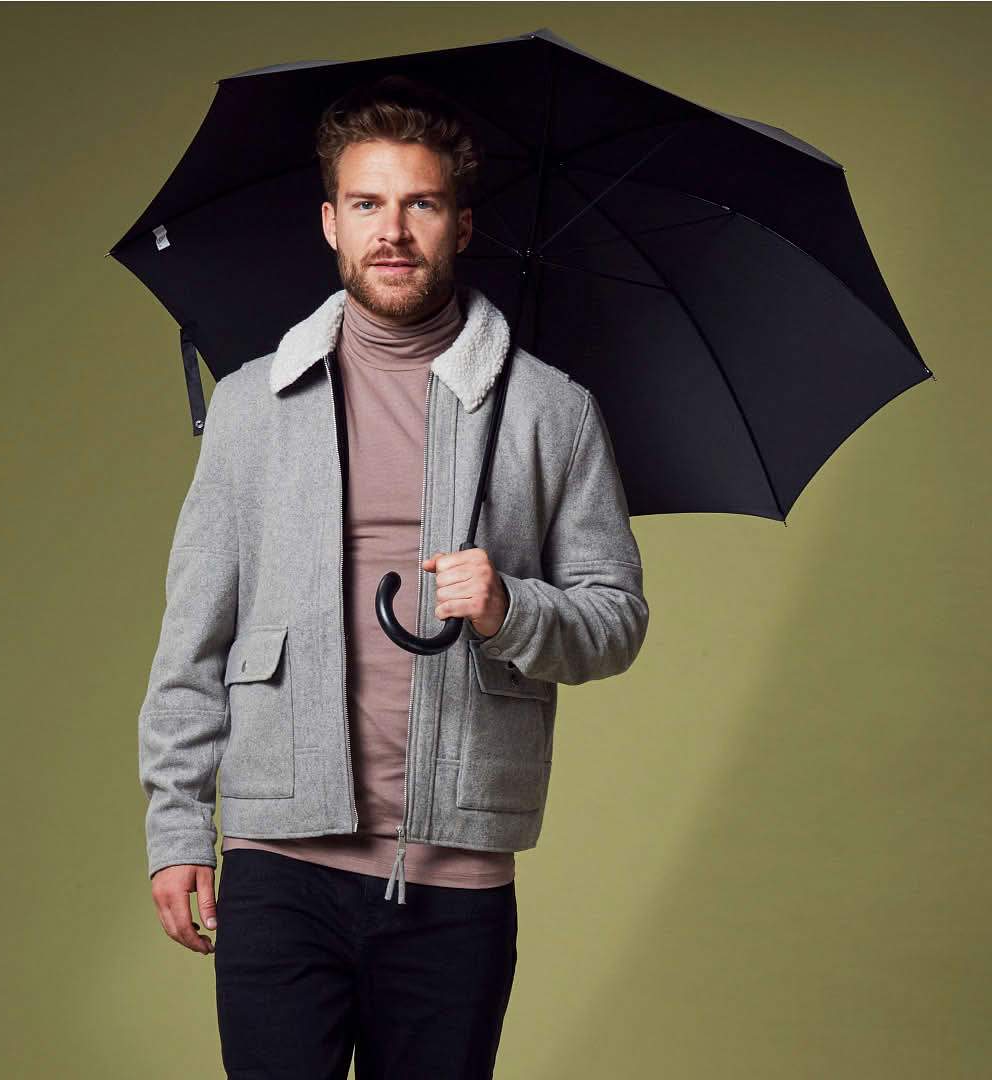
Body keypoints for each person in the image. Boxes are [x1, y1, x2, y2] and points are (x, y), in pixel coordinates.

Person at [138, 74, 649, 1079]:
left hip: (454, 880)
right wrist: (177, 825)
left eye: (422, 204)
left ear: (463, 223)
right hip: (279, 867)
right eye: (367, 203)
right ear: (331, 221)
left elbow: (617, 616)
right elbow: (193, 636)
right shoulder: (252, 405)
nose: (394, 231)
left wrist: (510, 608)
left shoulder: (550, 410)